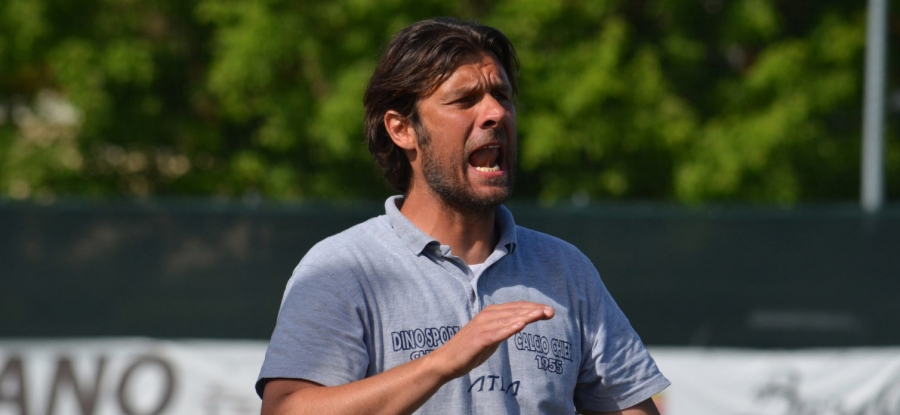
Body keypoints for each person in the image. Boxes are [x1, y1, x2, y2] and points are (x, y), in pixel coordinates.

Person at [256, 17, 670, 415]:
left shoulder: (566, 270)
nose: (496, 113)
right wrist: (442, 363)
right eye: (465, 100)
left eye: (502, 96)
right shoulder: (342, 268)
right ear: (402, 130)